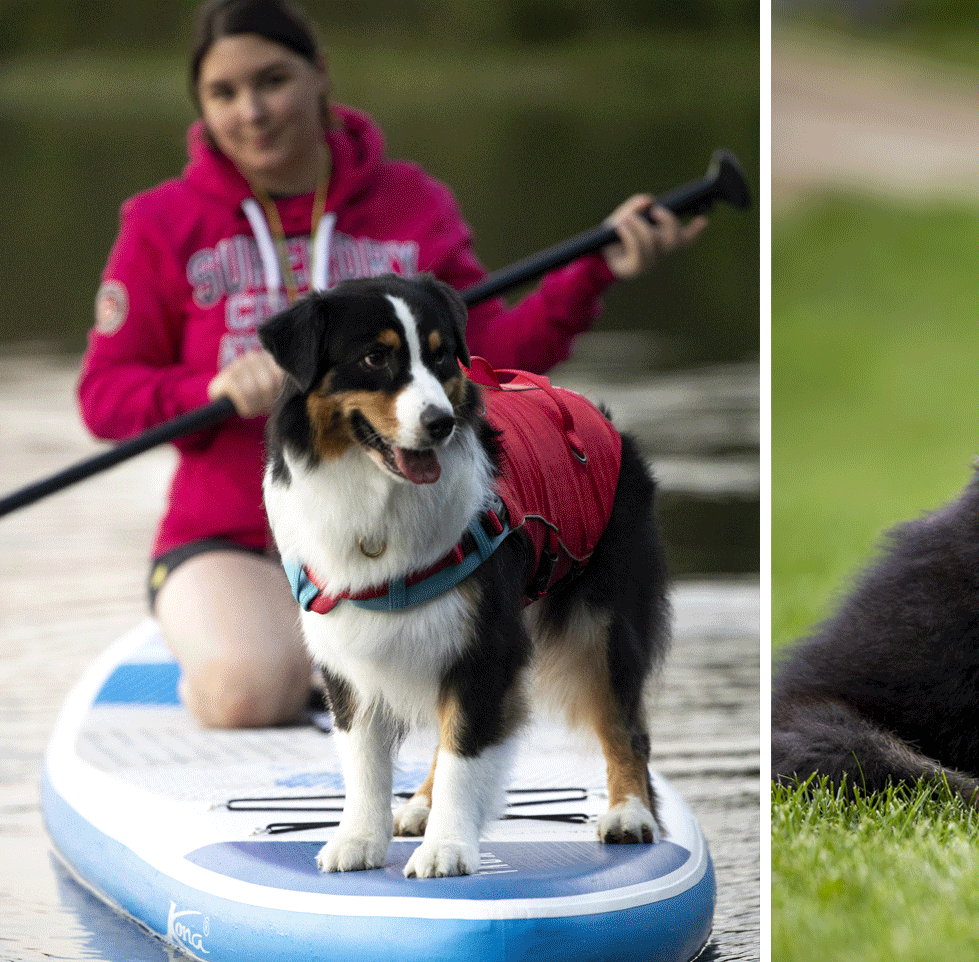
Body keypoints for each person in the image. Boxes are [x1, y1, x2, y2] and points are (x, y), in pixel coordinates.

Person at [77, 0, 705, 729]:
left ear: (320, 75)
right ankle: (242, 664)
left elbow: (494, 362)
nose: (250, 111)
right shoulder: (160, 222)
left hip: (405, 537)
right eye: (223, 93)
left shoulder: (410, 203)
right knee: (247, 695)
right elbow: (103, 397)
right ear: (203, 105)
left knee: (478, 659)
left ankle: (339, 675)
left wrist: (594, 272)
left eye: (272, 80)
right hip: (233, 542)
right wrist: (207, 387)